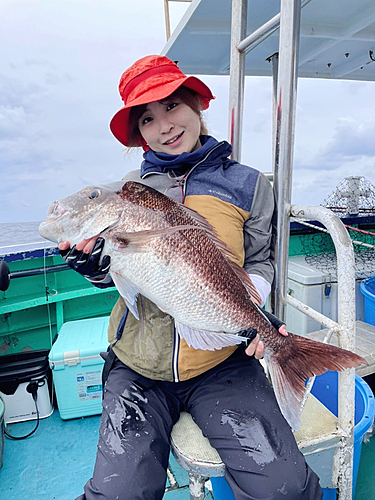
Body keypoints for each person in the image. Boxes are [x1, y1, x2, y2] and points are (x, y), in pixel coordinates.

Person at [59, 55, 322, 499]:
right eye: (147, 118)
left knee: (286, 490)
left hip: (222, 363)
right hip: (138, 366)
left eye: (173, 105)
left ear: (198, 105)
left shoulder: (250, 184)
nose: (164, 125)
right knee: (117, 493)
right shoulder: (127, 191)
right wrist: (96, 269)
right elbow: (119, 274)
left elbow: (258, 259)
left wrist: (251, 309)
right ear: (138, 134)